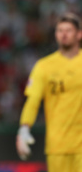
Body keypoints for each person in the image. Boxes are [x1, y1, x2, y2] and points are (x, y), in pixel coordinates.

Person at [16, 13, 82, 172]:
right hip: (57, 146)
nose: (64, 34)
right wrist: (24, 129)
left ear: (79, 34)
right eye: (60, 30)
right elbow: (33, 101)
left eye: (68, 30)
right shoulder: (44, 66)